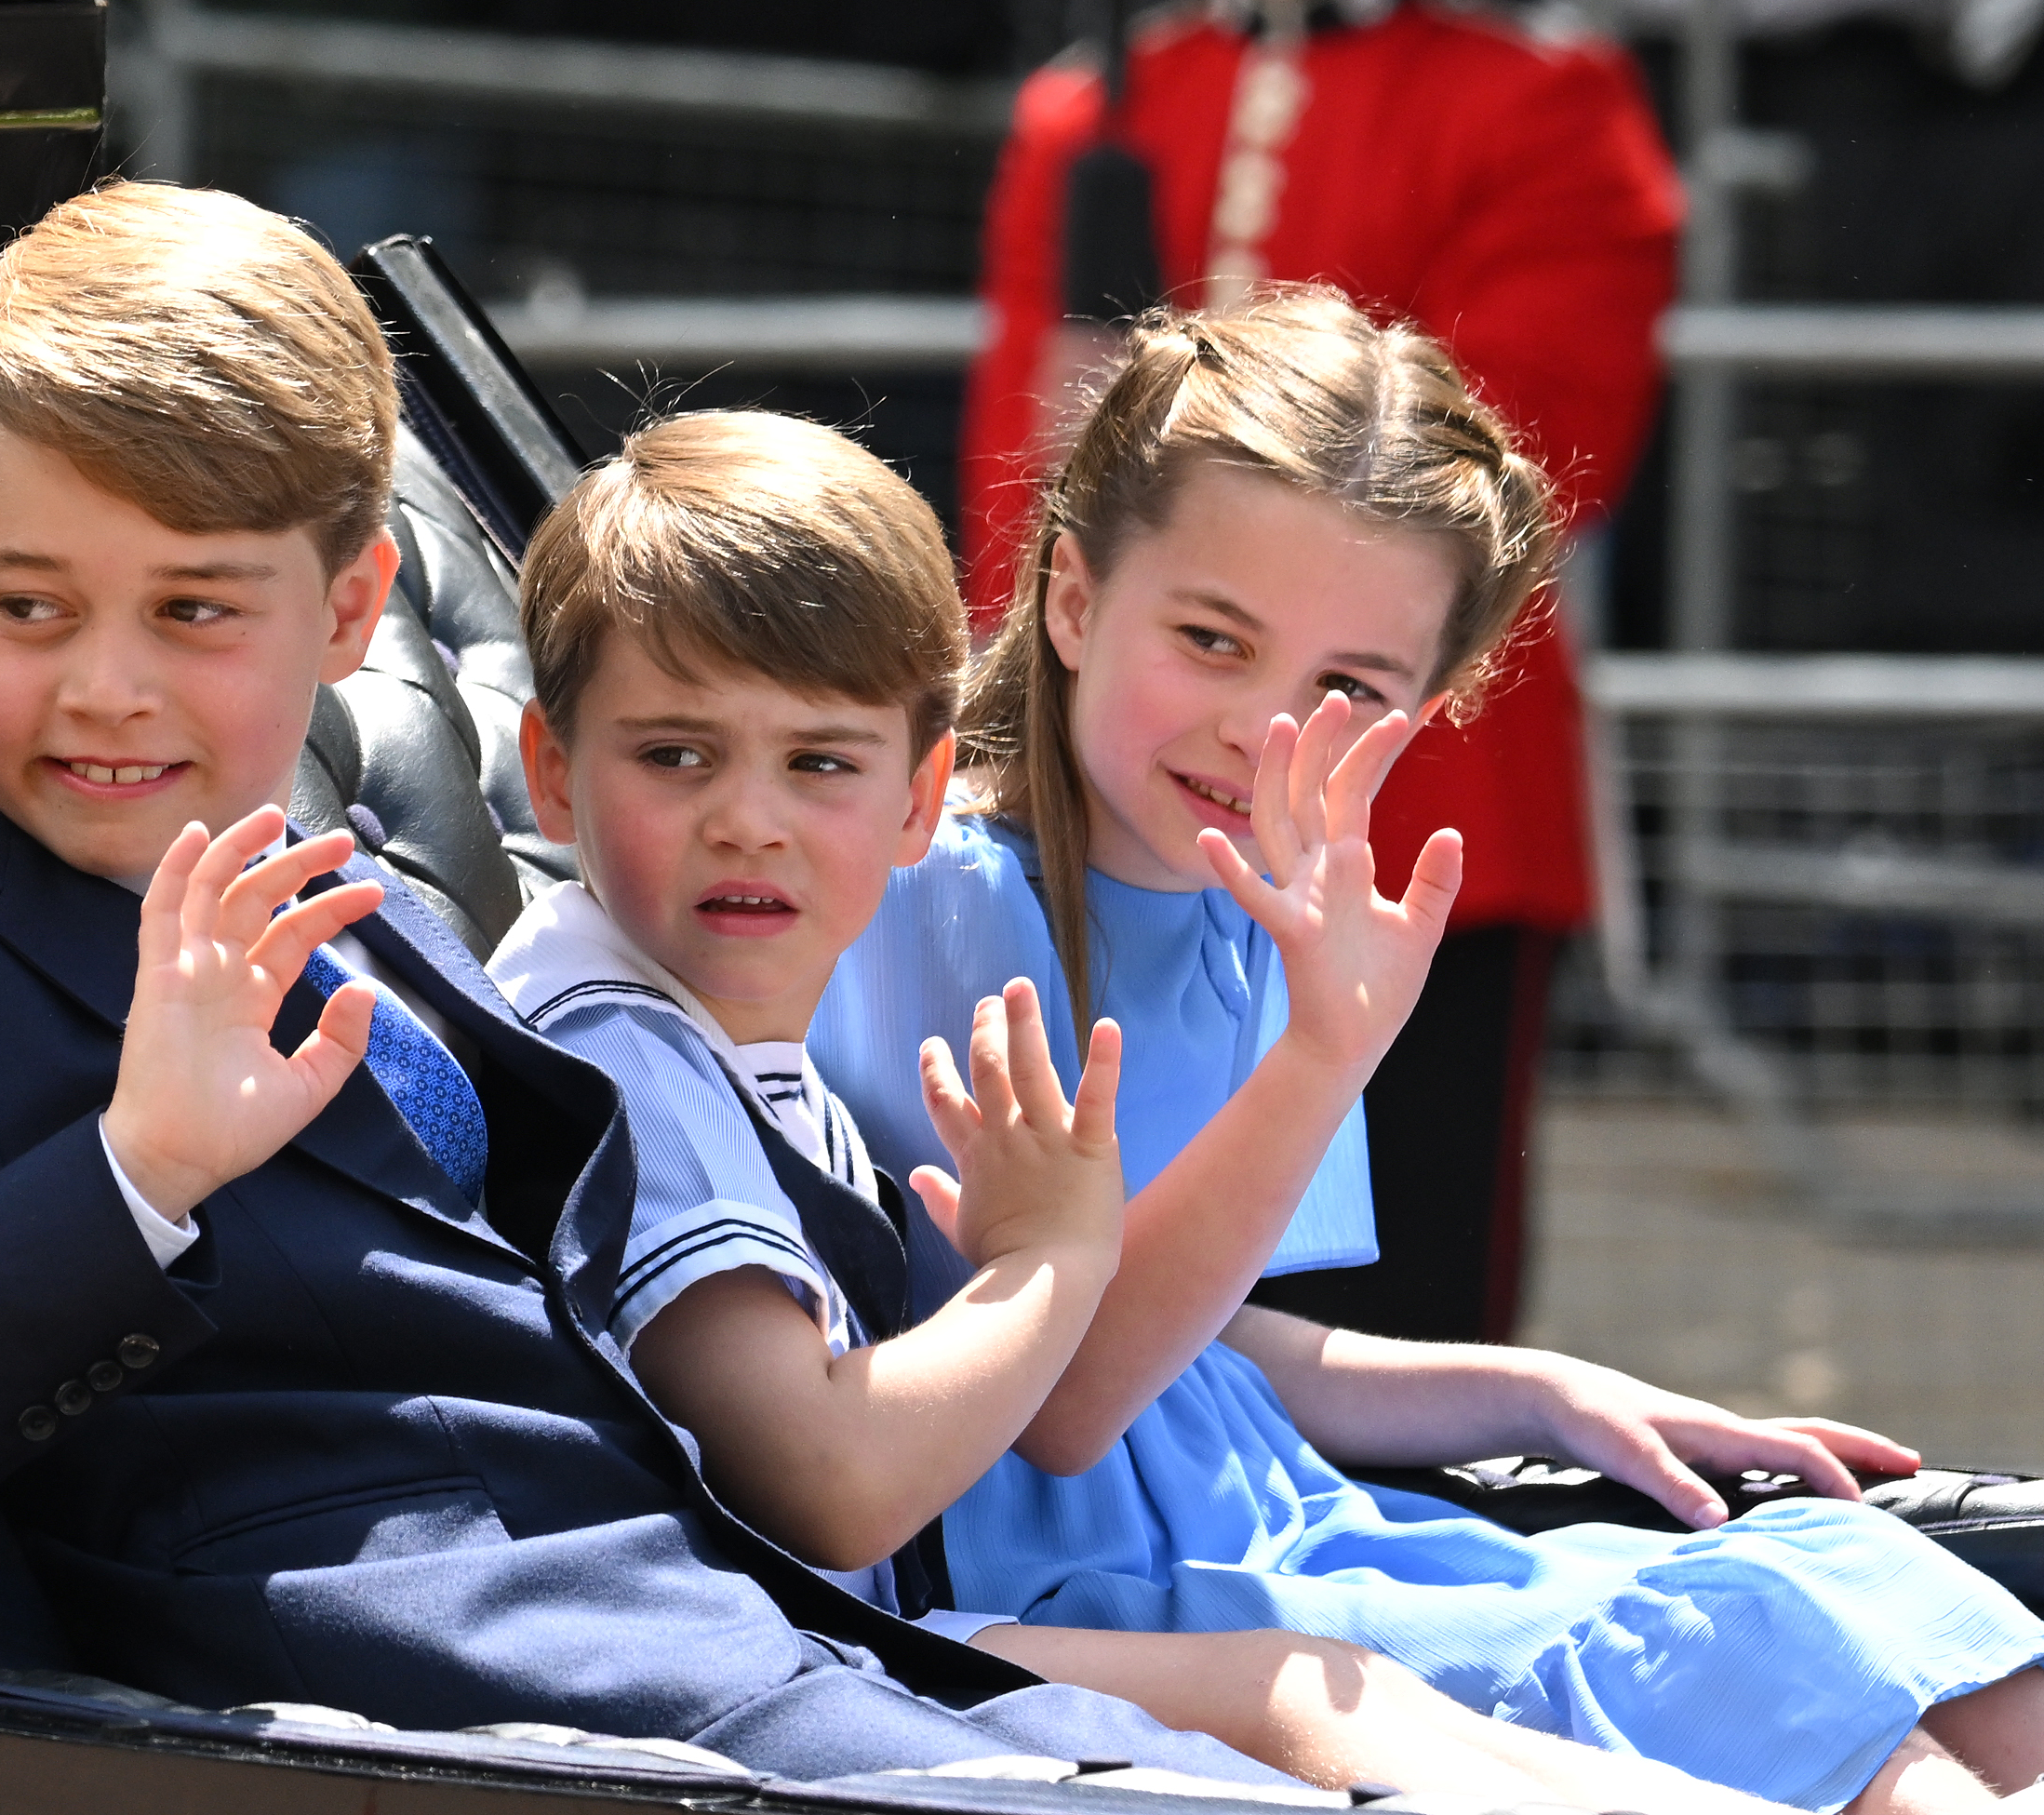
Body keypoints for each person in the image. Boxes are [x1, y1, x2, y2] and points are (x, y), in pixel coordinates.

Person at [0, 180, 1328, 1786]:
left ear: (354, 606)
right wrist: (134, 1171)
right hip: (456, 1703)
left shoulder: (335, 886)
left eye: (192, 611)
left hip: (731, 1627)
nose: (106, 686)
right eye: (32, 606)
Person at [484, 406, 1824, 1814]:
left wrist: (1531, 1386)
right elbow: (850, 1482)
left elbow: (1202, 1351)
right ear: (557, 772)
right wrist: (1054, 1257)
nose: (748, 821)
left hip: (929, 1611)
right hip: (868, 1642)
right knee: (1364, 1691)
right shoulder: (643, 1043)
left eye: (817, 763)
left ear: (910, 793)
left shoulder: (733, 1023)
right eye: (677, 756)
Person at [809, 289, 2044, 1815]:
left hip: (1292, 1525)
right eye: (1212, 640)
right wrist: (1323, 1054)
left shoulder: (1263, 912)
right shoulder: (937, 898)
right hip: (1090, 1588)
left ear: (1427, 711)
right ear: (1071, 601)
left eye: (1345, 690)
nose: (1265, 733)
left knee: (1935, 1639)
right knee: (1809, 1695)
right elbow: (1067, 1401)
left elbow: (1214, 1344)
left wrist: (1536, 1387)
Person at [964, 0, 1686, 1341]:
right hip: (1116, 795)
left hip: (1405, 809)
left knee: (1402, 1305)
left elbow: (1517, 459)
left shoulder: (1541, 101)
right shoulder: (1088, 112)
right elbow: (1024, 488)